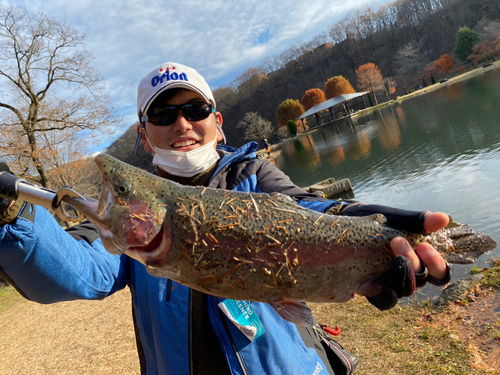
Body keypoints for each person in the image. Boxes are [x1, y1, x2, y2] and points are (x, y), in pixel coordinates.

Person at [0, 62, 451, 375]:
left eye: (195, 111)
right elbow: (78, 272)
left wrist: (378, 231)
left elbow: (307, 210)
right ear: (143, 133)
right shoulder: (130, 212)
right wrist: (10, 216)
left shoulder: (254, 174)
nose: (181, 124)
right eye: (163, 114)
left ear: (217, 121)